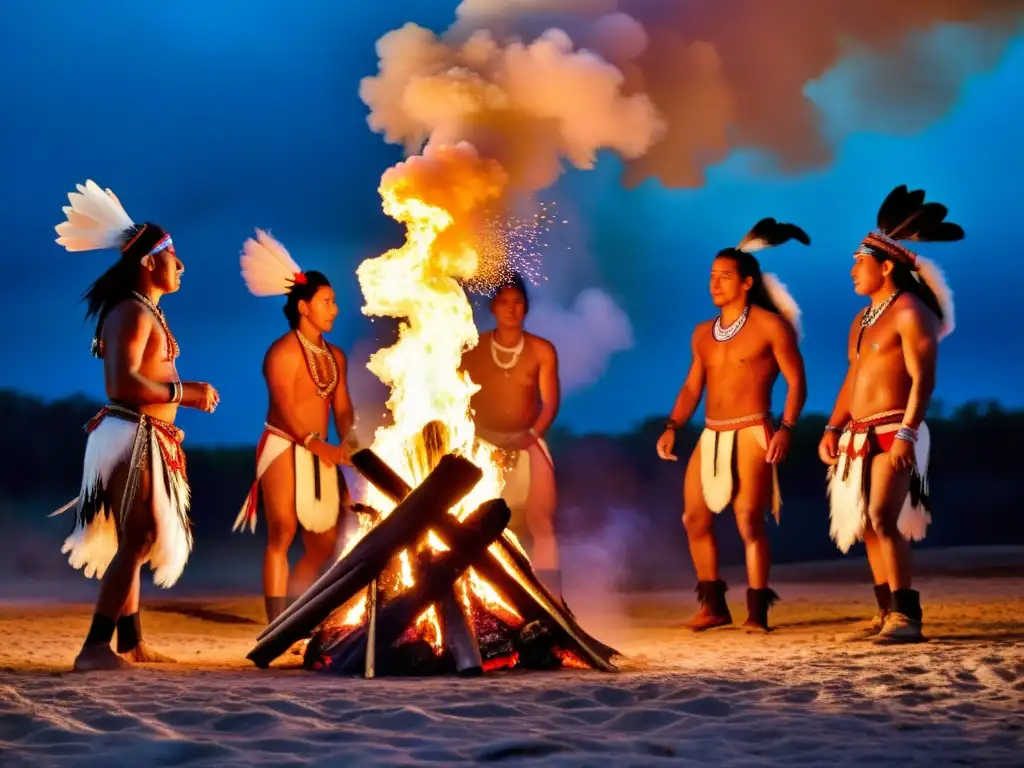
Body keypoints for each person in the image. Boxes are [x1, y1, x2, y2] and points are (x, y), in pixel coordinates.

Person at [52, 180, 219, 671]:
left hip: (146, 436)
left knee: (138, 540)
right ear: (150, 261)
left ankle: (130, 643)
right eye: (174, 256)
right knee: (140, 538)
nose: (182, 265)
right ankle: (94, 648)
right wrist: (186, 394)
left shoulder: (142, 311)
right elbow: (122, 384)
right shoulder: (130, 311)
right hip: (131, 433)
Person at [819, 185, 962, 644]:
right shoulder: (861, 321)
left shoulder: (910, 311)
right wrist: (832, 426)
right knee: (864, 522)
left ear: (885, 265)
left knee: (884, 515)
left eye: (857, 262)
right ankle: (886, 613)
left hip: (896, 426)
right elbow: (852, 379)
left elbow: (924, 380)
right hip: (856, 433)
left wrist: (906, 433)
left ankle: (907, 617)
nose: (851, 271)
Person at [656, 218, 809, 632]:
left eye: (724, 277)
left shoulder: (770, 326)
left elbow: (797, 383)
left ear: (746, 283)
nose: (715, 283)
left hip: (751, 430)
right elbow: (692, 386)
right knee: (694, 519)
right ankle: (713, 605)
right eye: (711, 276)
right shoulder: (702, 334)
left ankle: (757, 612)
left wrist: (787, 428)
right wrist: (672, 425)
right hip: (712, 431)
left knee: (748, 519)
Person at [235, 230, 355, 624]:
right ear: (304, 307)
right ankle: (275, 622)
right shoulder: (282, 353)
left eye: (334, 301)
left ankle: (296, 611)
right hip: (285, 443)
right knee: (283, 531)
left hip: (321, 449)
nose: (334, 308)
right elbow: (285, 411)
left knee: (322, 542)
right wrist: (315, 444)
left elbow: (342, 407)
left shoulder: (335, 356)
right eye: (327, 301)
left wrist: (349, 440)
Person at [460, 273, 562, 598]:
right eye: (504, 302)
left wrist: (529, 437)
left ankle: (552, 599)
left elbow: (550, 403)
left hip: (529, 440)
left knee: (541, 521)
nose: (511, 309)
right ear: (493, 307)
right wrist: (481, 439)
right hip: (482, 443)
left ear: (526, 307)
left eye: (518, 302)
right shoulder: (473, 350)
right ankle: (484, 596)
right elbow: (459, 397)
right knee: (478, 520)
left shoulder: (542, 350)